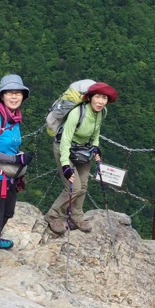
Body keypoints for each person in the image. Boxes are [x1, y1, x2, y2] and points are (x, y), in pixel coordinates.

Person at [44, 82, 117, 234]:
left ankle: (76, 215)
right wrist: (65, 166)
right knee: (73, 187)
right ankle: (53, 215)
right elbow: (65, 140)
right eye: (97, 97)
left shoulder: (102, 112)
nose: (101, 101)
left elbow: (96, 131)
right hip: (65, 148)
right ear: (90, 97)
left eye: (104, 98)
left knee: (83, 186)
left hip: (84, 150)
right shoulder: (77, 113)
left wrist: (96, 147)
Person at [0, 74, 33, 270]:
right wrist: (15, 160)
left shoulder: (15, 118)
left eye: (18, 93)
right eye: (10, 93)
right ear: (2, 96)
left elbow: (9, 146)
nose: (14, 96)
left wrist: (19, 160)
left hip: (9, 176)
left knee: (8, 212)